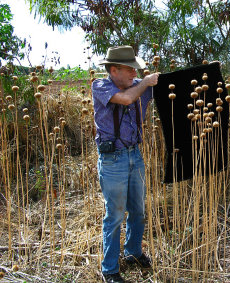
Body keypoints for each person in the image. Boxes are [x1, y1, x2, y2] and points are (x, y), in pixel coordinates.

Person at [92, 45, 159, 283]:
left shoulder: (139, 85)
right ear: (113, 70)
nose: (134, 73)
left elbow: (172, 83)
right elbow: (127, 99)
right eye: (129, 69)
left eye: (135, 69)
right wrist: (146, 82)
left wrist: (208, 72)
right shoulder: (101, 86)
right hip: (113, 160)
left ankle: (133, 253)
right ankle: (109, 269)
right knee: (115, 215)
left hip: (135, 156)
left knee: (138, 211)